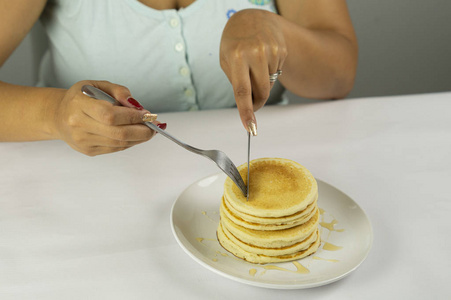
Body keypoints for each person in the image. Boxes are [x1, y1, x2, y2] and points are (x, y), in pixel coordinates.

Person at [0, 0, 357, 156]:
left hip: (273, 164)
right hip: (98, 190)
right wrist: (54, 113)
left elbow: (339, 76)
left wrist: (274, 28)